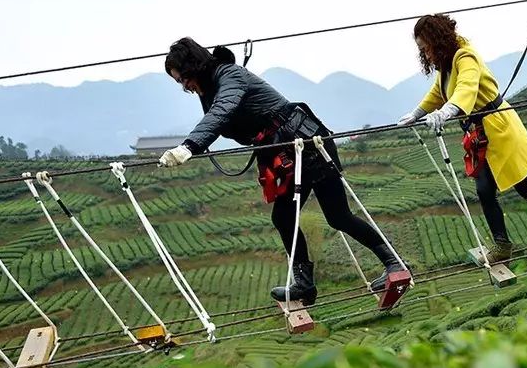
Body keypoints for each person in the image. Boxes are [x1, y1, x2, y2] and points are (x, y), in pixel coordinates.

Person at [160, 37, 406, 303]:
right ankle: (304, 284)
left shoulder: (230, 76)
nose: (184, 85)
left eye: (184, 77)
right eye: (179, 82)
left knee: (338, 216)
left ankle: (394, 264)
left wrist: (189, 146)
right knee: (284, 217)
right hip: (285, 151)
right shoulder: (210, 90)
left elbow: (223, 111)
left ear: (195, 66)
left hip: (308, 145)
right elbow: (222, 117)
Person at [399, 14, 527, 264]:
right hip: (480, 135)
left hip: (500, 129)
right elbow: (440, 92)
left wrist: (448, 110)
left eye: (426, 49)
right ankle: (502, 245)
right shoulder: (447, 63)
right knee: (484, 190)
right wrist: (417, 113)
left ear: (436, 41)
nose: (425, 55)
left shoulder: (464, 56)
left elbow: (467, 88)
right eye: (422, 51)